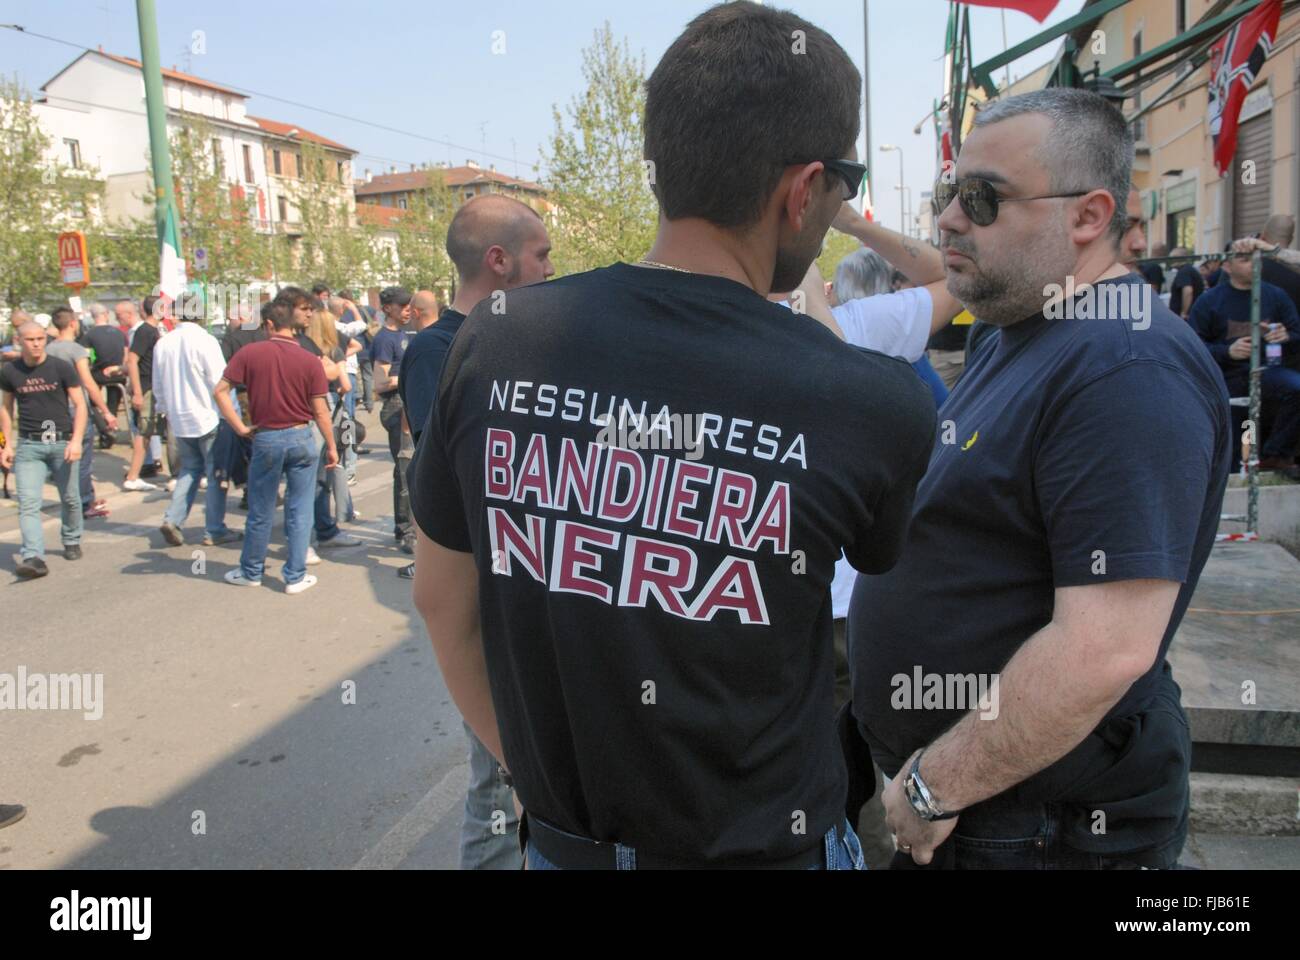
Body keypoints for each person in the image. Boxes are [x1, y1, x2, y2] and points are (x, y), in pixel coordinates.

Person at [411, 0, 934, 871]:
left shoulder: (497, 337)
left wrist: (535, 780)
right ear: (805, 190)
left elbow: (440, 601)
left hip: (565, 849)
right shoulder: (862, 397)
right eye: (840, 185)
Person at [850, 88, 1231, 870]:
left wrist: (933, 787)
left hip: (1035, 826)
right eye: (949, 193)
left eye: (983, 198)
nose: (951, 218)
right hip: (992, 814)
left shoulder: (1124, 367)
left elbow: (1103, 649)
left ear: (1088, 217)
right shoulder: (1024, 326)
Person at [401, 193, 555, 870]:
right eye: (542, 254)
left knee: (533, 777)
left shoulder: (521, 334)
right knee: (499, 781)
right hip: (492, 602)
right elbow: (474, 486)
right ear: (499, 260)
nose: (552, 269)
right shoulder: (443, 353)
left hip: (539, 594)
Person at [213, 299, 338, 594]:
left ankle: (251, 570)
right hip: (301, 435)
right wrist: (331, 445)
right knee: (300, 507)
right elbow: (320, 410)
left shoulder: (250, 353)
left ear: (268, 324)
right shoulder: (309, 359)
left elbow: (219, 391)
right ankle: (295, 575)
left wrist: (240, 426)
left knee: (261, 508)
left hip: (266, 436)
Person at [1188, 248, 1300, 473]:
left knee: (1297, 389)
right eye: (1244, 260)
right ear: (1227, 267)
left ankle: (1275, 456)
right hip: (1224, 375)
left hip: (1267, 370)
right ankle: (1227, 475)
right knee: (1232, 440)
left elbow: (1296, 333)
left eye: (1256, 259)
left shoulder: (1275, 296)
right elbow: (1193, 348)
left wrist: (1286, 336)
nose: (1253, 264)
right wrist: (1228, 351)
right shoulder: (1209, 301)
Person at [0, 321, 87, 579]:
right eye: (30, 339)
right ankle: (33, 556)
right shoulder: (9, 371)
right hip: (29, 445)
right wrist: (4, 445)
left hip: (62, 442)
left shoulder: (60, 367)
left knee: (70, 498)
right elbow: (5, 410)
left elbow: (80, 405)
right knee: (28, 503)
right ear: (19, 340)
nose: (37, 344)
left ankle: (71, 538)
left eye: (40, 338)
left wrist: (76, 440)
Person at [153, 294, 241, 547]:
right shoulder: (205, 340)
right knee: (216, 475)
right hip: (209, 416)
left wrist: (165, 410)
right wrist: (232, 414)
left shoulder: (164, 343)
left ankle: (173, 518)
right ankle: (214, 529)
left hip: (179, 418)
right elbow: (220, 382)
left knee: (189, 471)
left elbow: (158, 385)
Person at [280, 287, 361, 556]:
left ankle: (323, 531)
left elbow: (327, 368)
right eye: (304, 309)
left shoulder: (305, 342)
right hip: (296, 423)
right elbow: (326, 371)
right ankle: (300, 545)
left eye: (311, 310)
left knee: (317, 483)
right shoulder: (288, 344)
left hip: (308, 421)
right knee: (301, 487)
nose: (309, 314)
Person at [44, 308, 116, 521]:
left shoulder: (48, 349)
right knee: (83, 457)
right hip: (76, 408)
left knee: (63, 455)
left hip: (55, 408)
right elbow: (88, 383)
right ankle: (84, 502)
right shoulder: (76, 350)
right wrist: (105, 411)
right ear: (73, 323)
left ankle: (74, 498)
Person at [372, 286, 416, 556]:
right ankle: (406, 530)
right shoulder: (385, 339)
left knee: (409, 470)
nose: (407, 310)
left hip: (406, 405)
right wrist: (409, 375)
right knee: (405, 471)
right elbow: (379, 382)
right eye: (402, 306)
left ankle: (406, 527)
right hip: (396, 407)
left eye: (409, 305)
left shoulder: (403, 334)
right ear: (388, 308)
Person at [306, 305, 360, 528]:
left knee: (315, 466)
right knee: (337, 459)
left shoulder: (307, 349)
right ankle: (343, 511)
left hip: (308, 407)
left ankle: (315, 518)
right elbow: (346, 385)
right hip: (332, 407)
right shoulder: (335, 350)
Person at [124, 296, 163, 491]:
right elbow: (132, 360)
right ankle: (132, 476)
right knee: (144, 432)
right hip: (147, 388)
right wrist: (138, 392)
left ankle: (134, 475)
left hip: (152, 387)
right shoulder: (145, 331)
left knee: (148, 432)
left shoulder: (153, 331)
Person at [85, 303, 129, 446]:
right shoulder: (120, 333)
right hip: (118, 373)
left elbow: (87, 358)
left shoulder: (89, 335)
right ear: (106, 314)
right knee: (113, 402)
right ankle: (112, 426)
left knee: (89, 402)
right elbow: (126, 355)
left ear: (93, 317)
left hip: (98, 374)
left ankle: (104, 430)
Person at [1168, 246, 1204, 320]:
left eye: (1173, 257)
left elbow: (1188, 291)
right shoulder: (1188, 270)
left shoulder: (1184, 271)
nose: (1170, 260)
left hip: (1186, 318)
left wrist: (1184, 313)